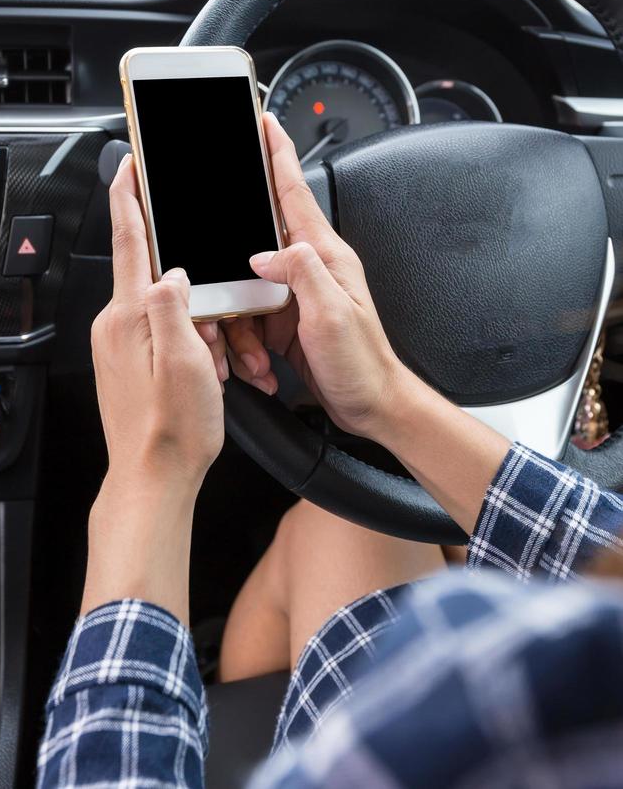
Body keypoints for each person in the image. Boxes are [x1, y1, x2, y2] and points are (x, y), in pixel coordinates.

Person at [36, 114, 623, 788]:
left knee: (348, 519)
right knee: (345, 516)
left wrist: (151, 469)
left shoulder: (480, 700)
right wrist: (386, 399)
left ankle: (210, 688)